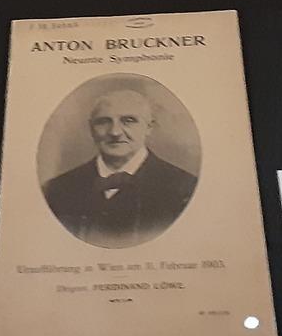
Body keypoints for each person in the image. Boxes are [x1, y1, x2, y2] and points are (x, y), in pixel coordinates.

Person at [43, 89, 197, 248]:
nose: (115, 132)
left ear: (149, 127)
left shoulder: (184, 189)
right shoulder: (56, 190)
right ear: (91, 128)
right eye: (103, 121)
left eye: (128, 120)